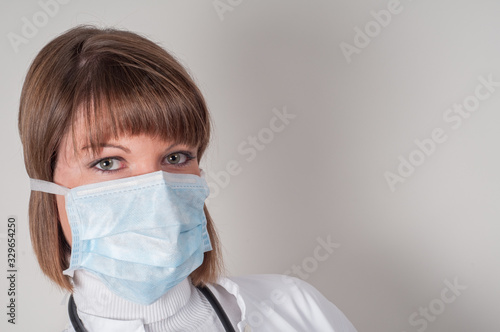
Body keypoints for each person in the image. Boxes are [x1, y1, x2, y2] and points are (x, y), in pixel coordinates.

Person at [18, 25, 358, 332]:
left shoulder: (294, 310)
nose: (158, 192)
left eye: (175, 157)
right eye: (108, 162)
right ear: (47, 185)